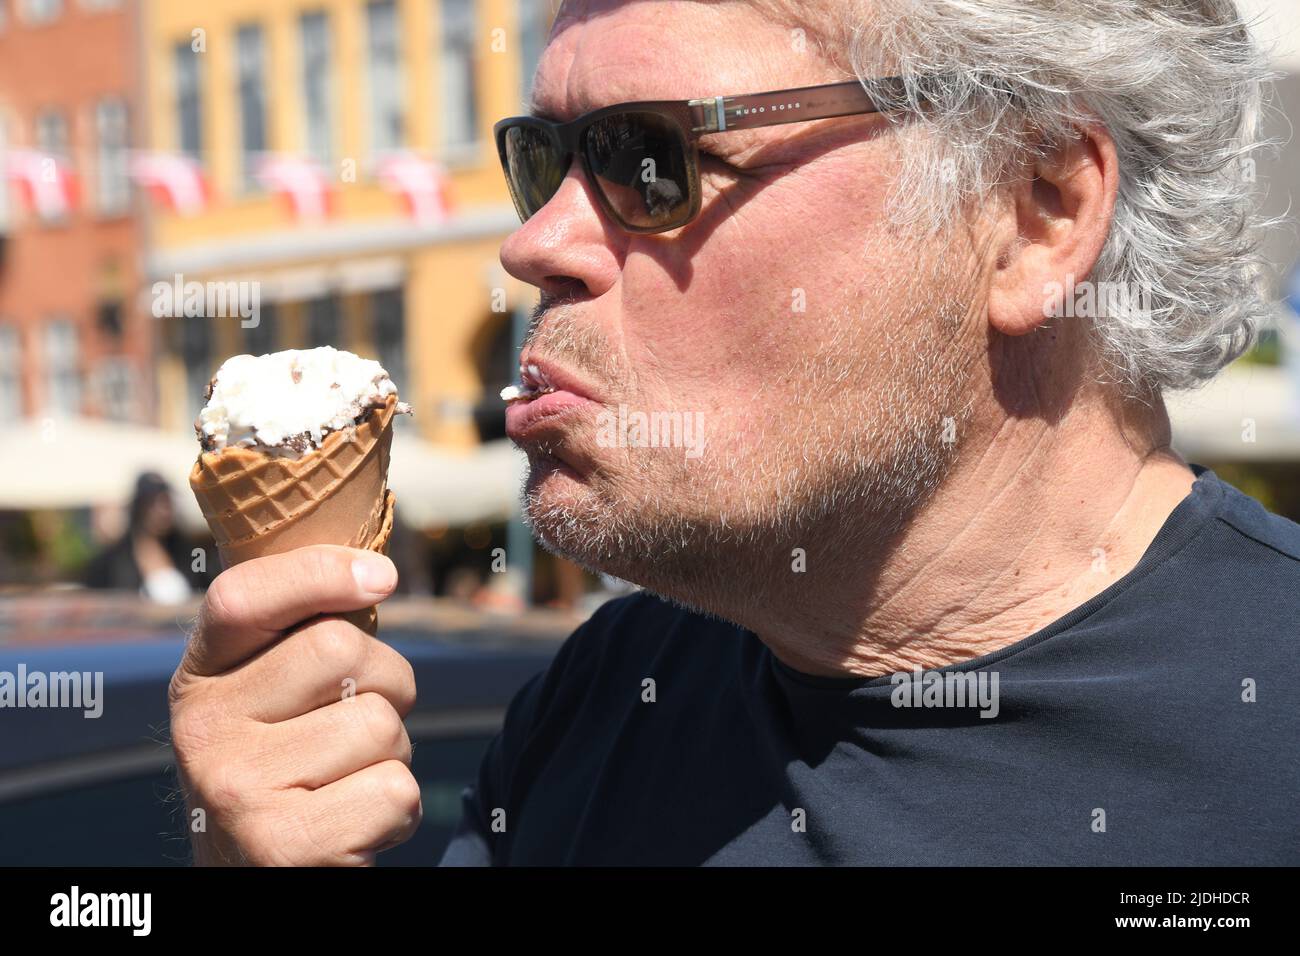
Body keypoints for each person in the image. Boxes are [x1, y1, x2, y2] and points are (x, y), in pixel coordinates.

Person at [168, 0, 1299, 865]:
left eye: (650, 159)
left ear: (1036, 208)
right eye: (543, 161)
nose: (535, 244)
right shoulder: (604, 694)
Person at [85, 472, 204, 605]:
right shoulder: (111, 561)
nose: (163, 510)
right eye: (153, 502)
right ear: (139, 507)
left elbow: (203, 591)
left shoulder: (193, 553)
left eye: (166, 501)